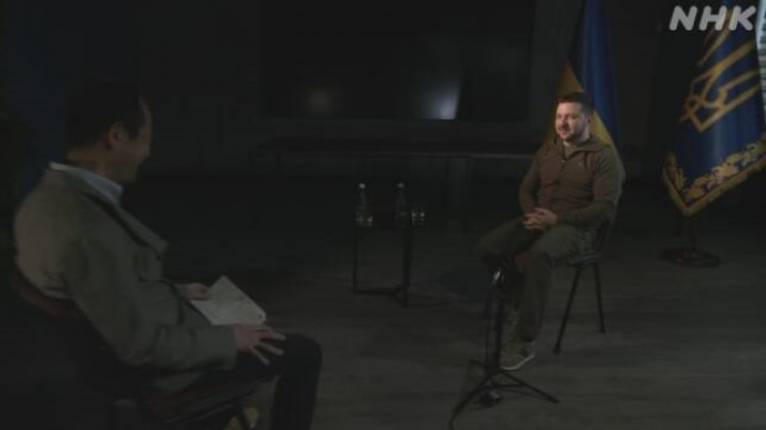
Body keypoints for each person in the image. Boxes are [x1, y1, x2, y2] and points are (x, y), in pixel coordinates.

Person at [13, 80, 321, 430]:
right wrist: (230, 339)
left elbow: (107, 288)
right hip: (155, 371)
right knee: (302, 352)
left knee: (231, 311)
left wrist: (178, 291)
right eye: (145, 138)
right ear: (116, 136)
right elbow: (140, 346)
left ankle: (221, 417)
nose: (147, 153)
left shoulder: (47, 197)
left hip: (124, 336)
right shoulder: (87, 231)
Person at [475, 91, 624, 371]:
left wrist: (557, 220)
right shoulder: (548, 150)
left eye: (571, 117)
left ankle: (524, 340)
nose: (563, 123)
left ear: (588, 120)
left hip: (577, 228)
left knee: (539, 256)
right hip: (539, 218)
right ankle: (515, 302)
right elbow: (525, 189)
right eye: (559, 117)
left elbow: (605, 207)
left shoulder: (604, 157)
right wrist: (532, 214)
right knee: (488, 247)